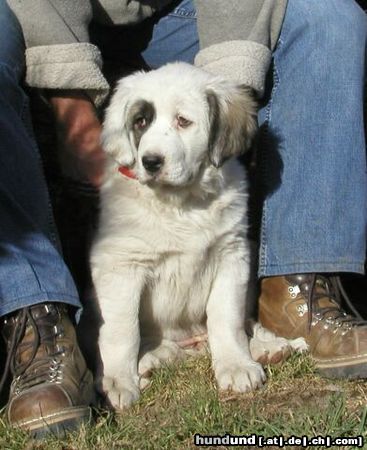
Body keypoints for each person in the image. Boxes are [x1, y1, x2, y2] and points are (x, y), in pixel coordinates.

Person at [2, 0, 366, 435]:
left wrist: (225, 91)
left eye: (183, 123)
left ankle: (295, 289)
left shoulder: (218, 142)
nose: (155, 149)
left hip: (190, 13)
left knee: (330, 14)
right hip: (49, 18)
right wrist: (70, 100)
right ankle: (38, 324)